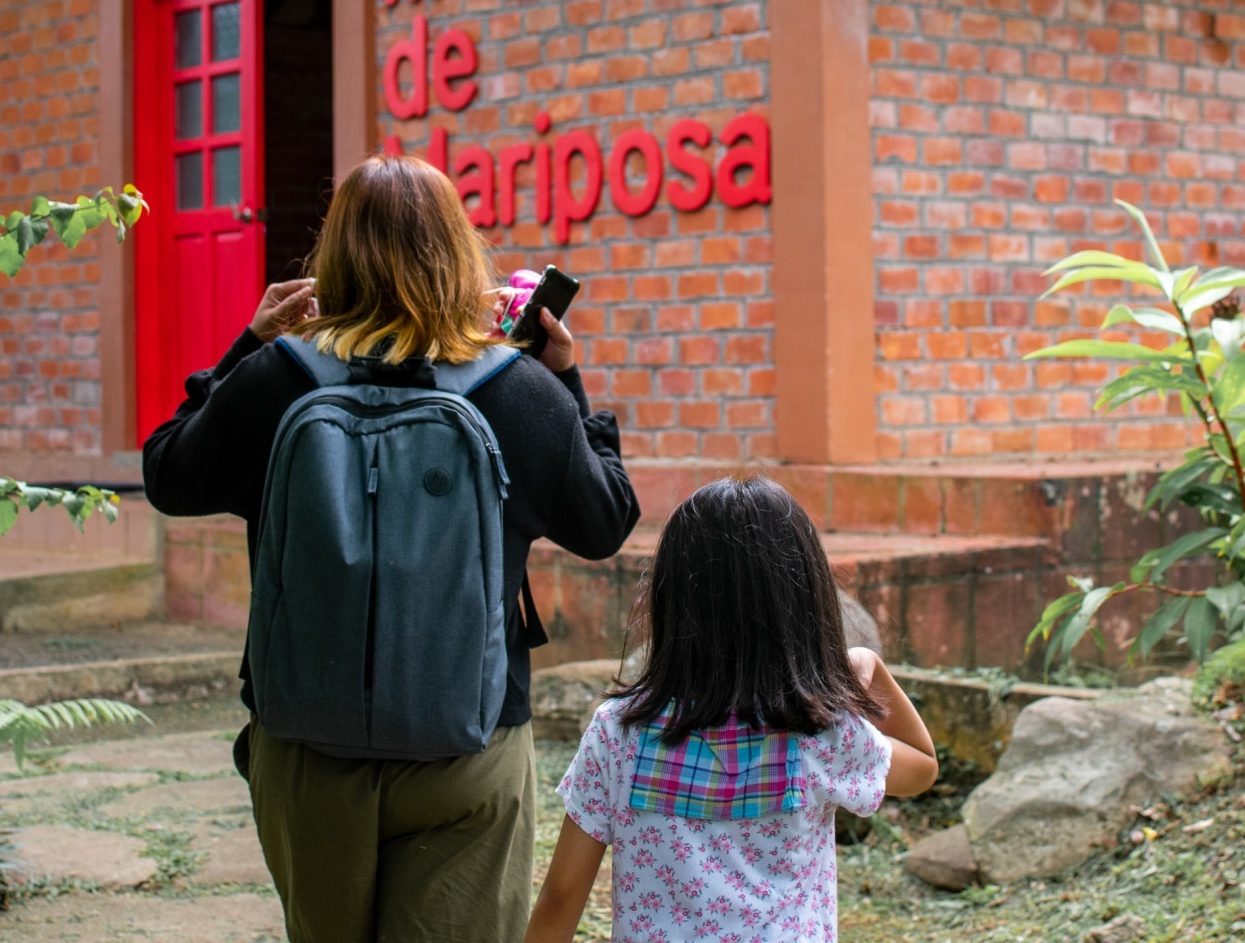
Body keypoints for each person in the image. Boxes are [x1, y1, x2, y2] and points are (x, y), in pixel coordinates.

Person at [142, 154, 640, 942]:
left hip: (306, 748)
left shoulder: (277, 379)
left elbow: (168, 474)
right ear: (457, 251)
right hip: (469, 746)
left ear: (334, 251)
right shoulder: (516, 390)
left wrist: (248, 344)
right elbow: (606, 522)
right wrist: (566, 383)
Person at [526, 476, 938, 943]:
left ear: (670, 595)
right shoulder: (821, 732)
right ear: (804, 600)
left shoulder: (618, 731)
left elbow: (561, 897)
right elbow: (922, 768)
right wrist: (868, 665)